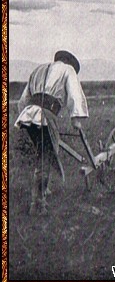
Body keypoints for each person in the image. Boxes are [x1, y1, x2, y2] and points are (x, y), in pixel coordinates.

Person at [15, 50, 89, 215]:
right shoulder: (68, 70)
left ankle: (44, 190)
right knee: (46, 157)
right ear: (70, 63)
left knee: (43, 153)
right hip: (46, 115)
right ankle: (38, 205)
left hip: (28, 115)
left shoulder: (38, 69)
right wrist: (76, 119)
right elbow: (74, 93)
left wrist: (25, 117)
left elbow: (23, 100)